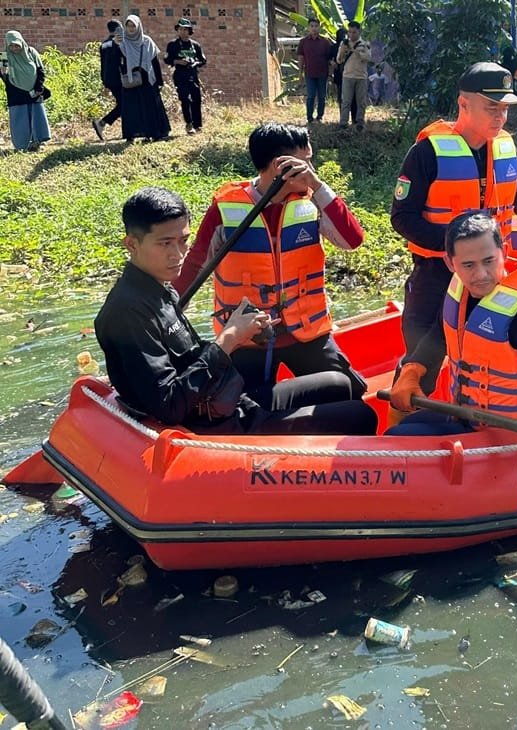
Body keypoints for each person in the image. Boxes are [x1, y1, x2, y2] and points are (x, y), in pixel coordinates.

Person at [95, 187, 377, 436]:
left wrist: (243, 333)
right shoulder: (128, 313)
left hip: (229, 402)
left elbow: (188, 360)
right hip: (217, 425)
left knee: (341, 383)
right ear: (132, 244)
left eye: (183, 241)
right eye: (165, 243)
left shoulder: (159, 288)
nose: (178, 254)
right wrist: (228, 339)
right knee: (362, 416)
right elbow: (170, 405)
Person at [173, 122, 368, 409]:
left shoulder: (312, 202)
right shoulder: (227, 209)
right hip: (248, 338)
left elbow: (352, 240)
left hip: (307, 334)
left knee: (350, 390)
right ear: (281, 165)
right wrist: (167, 317)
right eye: (307, 161)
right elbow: (194, 267)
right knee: (239, 409)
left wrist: (317, 186)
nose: (311, 169)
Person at [390, 62, 517, 399]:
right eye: (492, 107)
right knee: (419, 365)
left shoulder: (505, 147)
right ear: (464, 104)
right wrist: (456, 247)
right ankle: (401, 429)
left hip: (491, 275)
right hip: (436, 275)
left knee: (489, 359)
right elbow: (402, 217)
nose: (500, 117)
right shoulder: (427, 152)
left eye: (505, 109)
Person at [388, 212, 517, 461]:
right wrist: (414, 369)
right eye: (468, 265)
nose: (481, 274)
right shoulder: (459, 291)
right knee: (397, 434)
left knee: (404, 440)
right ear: (450, 263)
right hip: (468, 422)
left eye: (489, 261)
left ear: (504, 251)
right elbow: (437, 338)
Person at [117, 15, 170, 142]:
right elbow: (118, 62)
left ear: (138, 26)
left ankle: (154, 133)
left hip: (146, 78)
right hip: (131, 79)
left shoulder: (147, 41)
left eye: (133, 26)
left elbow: (154, 61)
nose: (131, 29)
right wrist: (115, 46)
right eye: (128, 26)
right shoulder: (122, 43)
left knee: (149, 106)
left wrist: (159, 81)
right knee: (131, 108)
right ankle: (132, 134)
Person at [0, 31, 50, 152]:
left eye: (17, 45)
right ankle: (22, 145)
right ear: (7, 45)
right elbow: (4, 76)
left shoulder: (31, 52)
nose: (15, 48)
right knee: (19, 118)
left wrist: (38, 87)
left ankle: (38, 142)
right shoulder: (4, 56)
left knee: (37, 116)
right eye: (11, 46)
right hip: (16, 93)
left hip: (35, 91)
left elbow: (40, 70)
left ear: (22, 43)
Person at [164, 18, 206, 135]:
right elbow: (167, 59)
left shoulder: (195, 45)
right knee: (185, 99)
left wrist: (194, 63)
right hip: (180, 75)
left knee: (196, 99)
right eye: (181, 29)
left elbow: (203, 60)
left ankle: (198, 125)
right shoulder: (172, 45)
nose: (183, 31)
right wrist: (177, 61)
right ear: (178, 30)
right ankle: (189, 123)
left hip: (192, 74)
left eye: (185, 29)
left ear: (189, 31)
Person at [296, 17, 334, 124]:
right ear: (308, 28)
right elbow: (300, 57)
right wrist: (300, 72)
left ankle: (320, 117)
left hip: (323, 73)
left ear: (319, 27)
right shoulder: (303, 42)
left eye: (316, 26)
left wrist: (330, 74)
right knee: (311, 96)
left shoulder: (325, 42)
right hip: (309, 74)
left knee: (322, 96)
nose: (314, 28)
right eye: (311, 26)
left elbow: (330, 59)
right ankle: (309, 118)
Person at [336, 20, 370, 130]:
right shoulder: (344, 43)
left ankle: (360, 122)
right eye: (349, 32)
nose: (351, 35)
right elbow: (339, 60)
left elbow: (368, 58)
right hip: (347, 76)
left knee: (361, 102)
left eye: (354, 32)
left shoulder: (365, 44)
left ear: (359, 32)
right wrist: (342, 51)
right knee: (345, 101)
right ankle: (343, 123)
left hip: (361, 77)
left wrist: (356, 51)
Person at [92, 20, 123, 141]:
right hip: (118, 79)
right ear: (117, 30)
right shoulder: (116, 44)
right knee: (124, 104)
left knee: (123, 104)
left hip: (108, 79)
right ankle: (102, 123)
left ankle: (103, 123)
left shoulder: (104, 44)